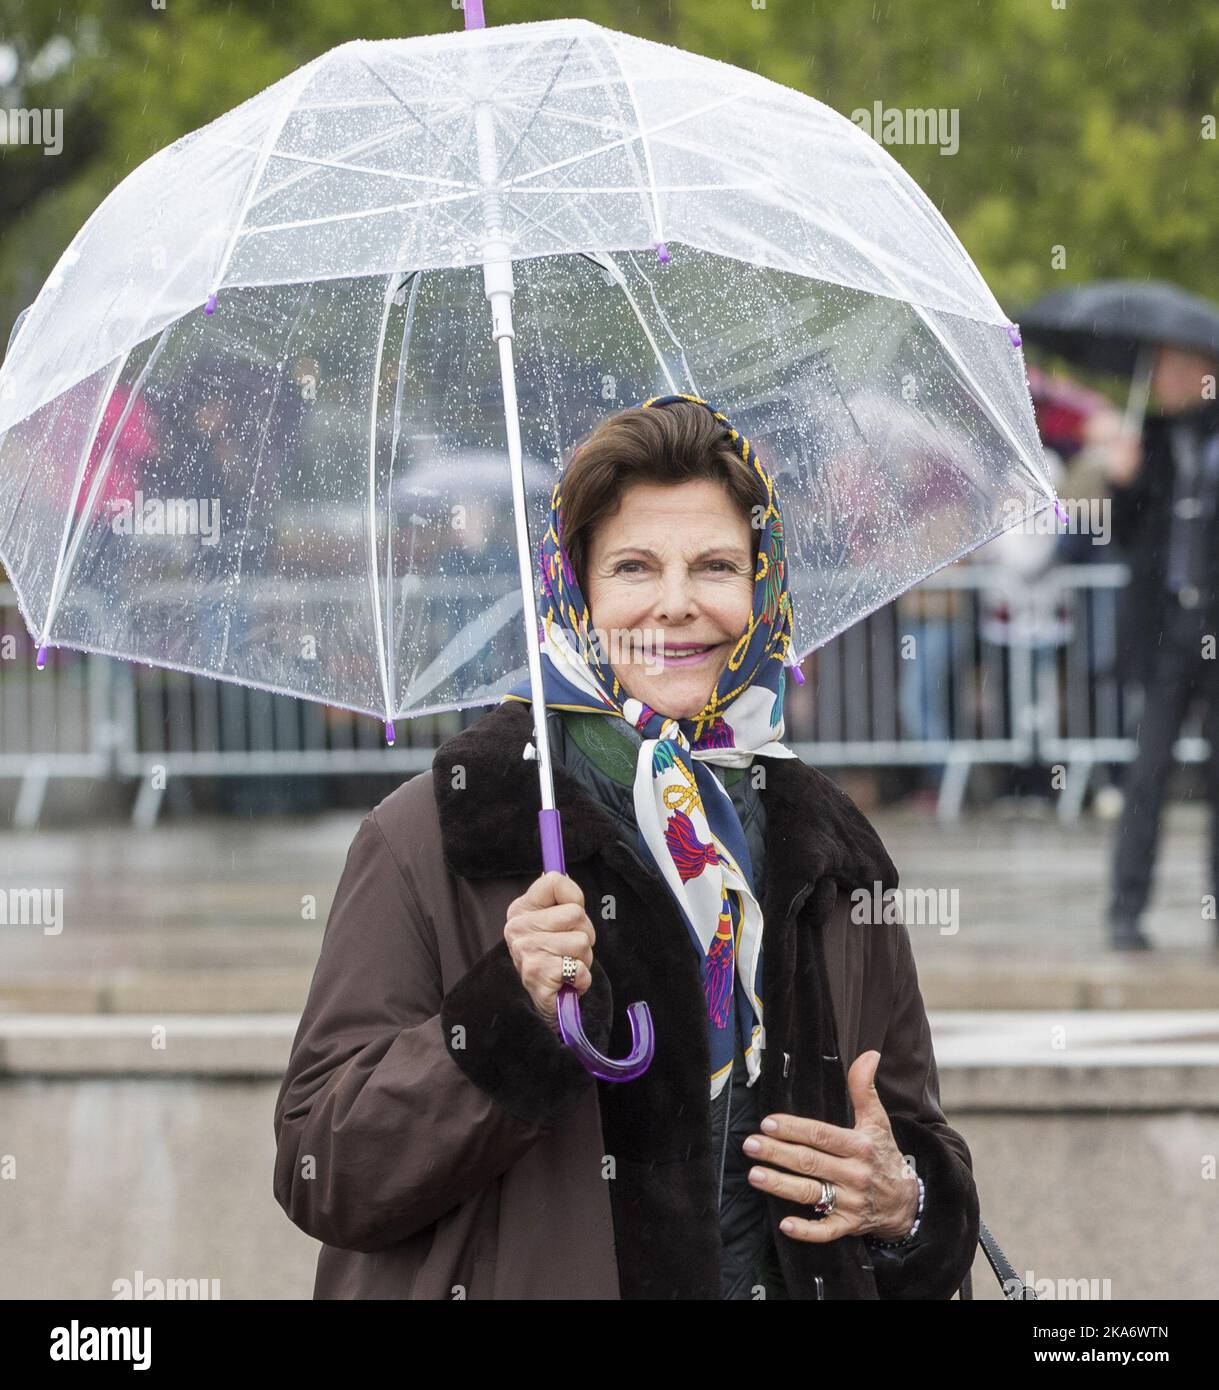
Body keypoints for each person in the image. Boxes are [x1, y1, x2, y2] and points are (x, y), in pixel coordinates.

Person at [273, 394, 980, 1299]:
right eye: (635, 567)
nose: (677, 605)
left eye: (716, 566)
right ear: (576, 589)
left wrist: (909, 1204)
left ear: (761, 590)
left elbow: (911, 1131)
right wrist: (508, 1013)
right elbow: (321, 1168)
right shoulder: (436, 834)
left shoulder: (827, 847)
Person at [1094, 345, 1219, 950]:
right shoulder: (1151, 438)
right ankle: (1126, 908)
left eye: (1175, 368)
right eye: (1158, 369)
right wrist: (1121, 480)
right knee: (1147, 775)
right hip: (1168, 632)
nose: (1162, 380)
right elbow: (1122, 537)